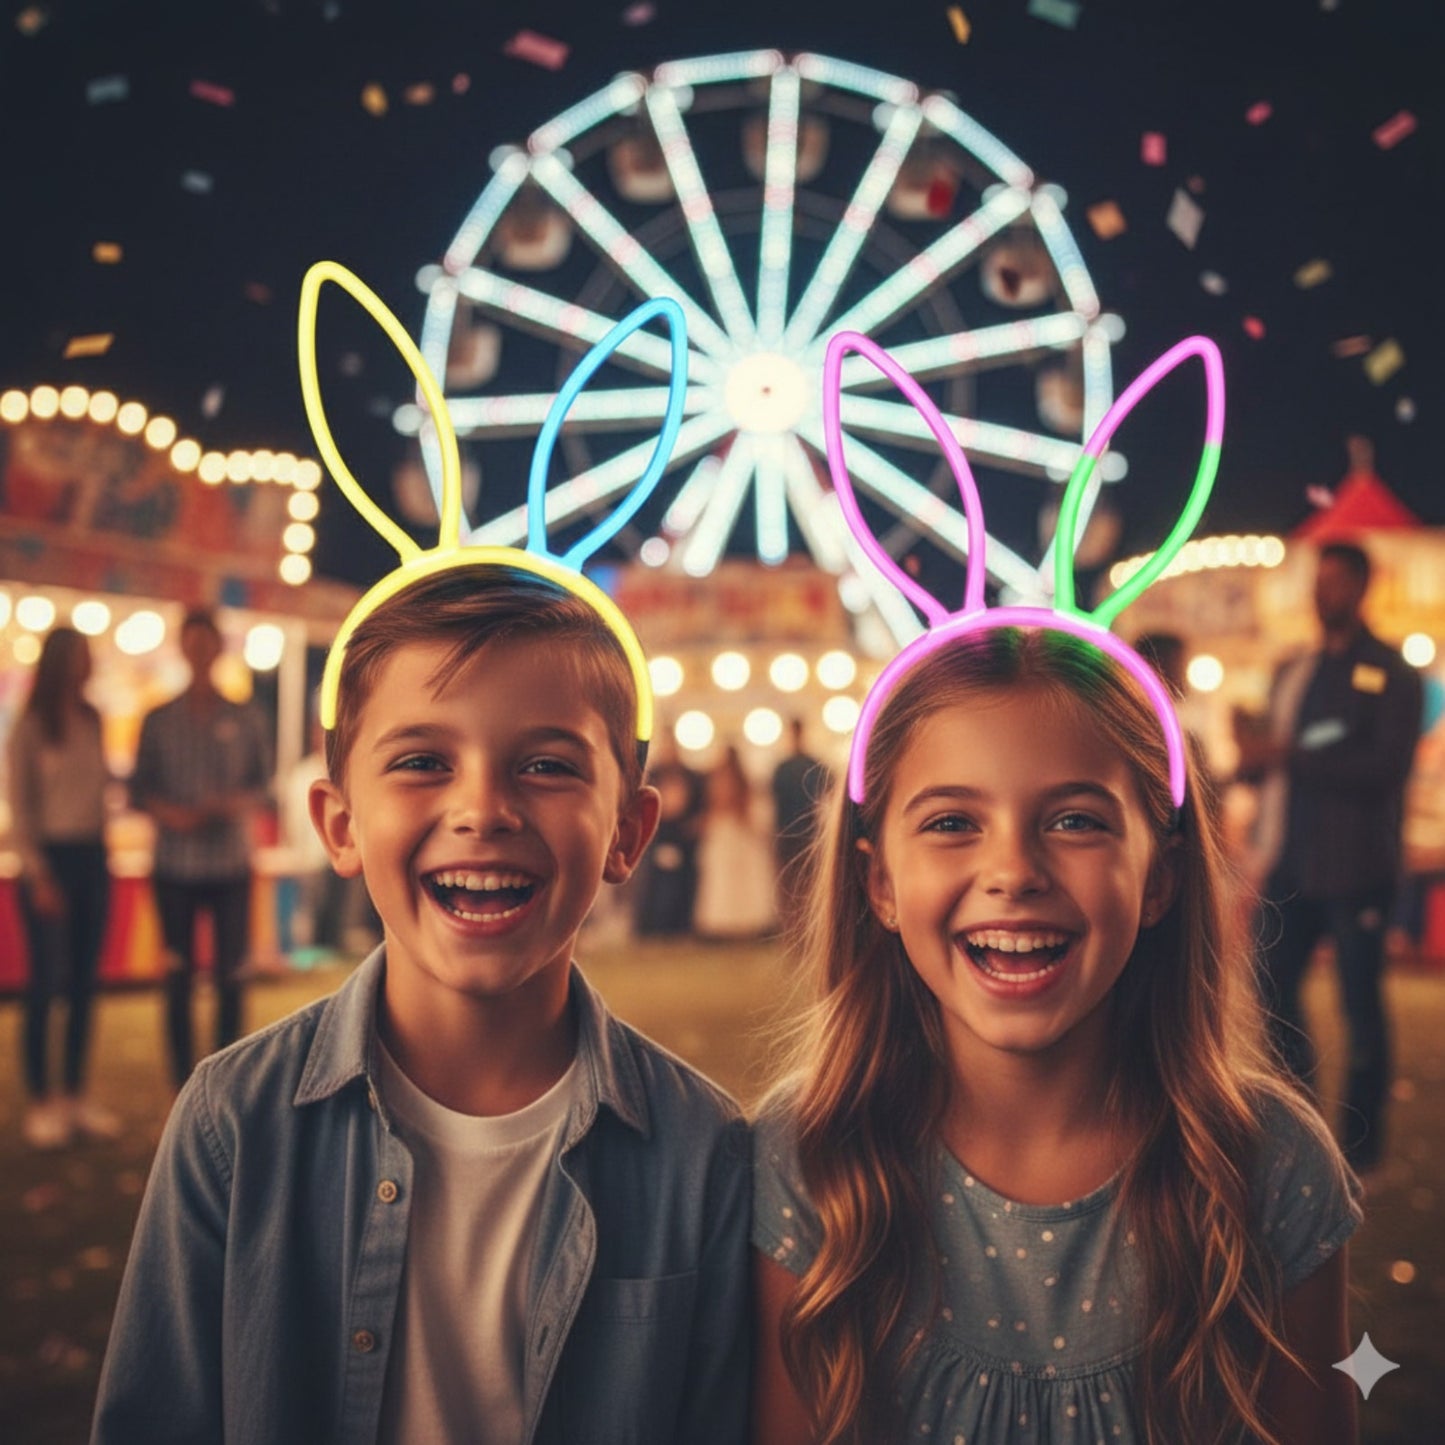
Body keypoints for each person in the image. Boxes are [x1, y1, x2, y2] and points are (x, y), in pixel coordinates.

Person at [92, 567, 750, 1444]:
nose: (482, 809)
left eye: (547, 765)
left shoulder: (702, 1151)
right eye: (422, 762)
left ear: (626, 831)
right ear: (340, 824)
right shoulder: (232, 1125)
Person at [753, 628, 1361, 1445]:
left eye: (1075, 820)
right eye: (952, 821)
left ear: (1159, 877)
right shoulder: (813, 1156)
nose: (1013, 871)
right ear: (879, 882)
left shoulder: (1266, 1166)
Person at [1246, 541, 1423, 1173]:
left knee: (1360, 1006)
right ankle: (1302, 1126)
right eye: (1319, 581)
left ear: (1363, 586)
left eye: (1338, 581)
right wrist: (1254, 763)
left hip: (1357, 869)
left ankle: (1361, 1143)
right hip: (1292, 863)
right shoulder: (1298, 668)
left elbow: (1386, 766)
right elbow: (1278, 759)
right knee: (1271, 993)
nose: (1325, 593)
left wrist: (1291, 756)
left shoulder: (1390, 672)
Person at [130, 608, 271, 1086]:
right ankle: (182, 1084)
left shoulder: (246, 716)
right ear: (182, 649)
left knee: (232, 977)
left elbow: (264, 786)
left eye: (206, 642)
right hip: (174, 866)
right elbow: (138, 789)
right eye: (191, 643)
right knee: (177, 978)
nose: (199, 652)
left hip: (230, 864)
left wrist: (230, 803)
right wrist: (170, 813)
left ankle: (227, 1081)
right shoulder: (159, 719)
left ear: (218, 648)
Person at [7, 626, 119, 1149]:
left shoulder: (93, 718)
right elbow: (20, 808)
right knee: (46, 983)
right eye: (77, 656)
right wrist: (38, 875)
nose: (85, 664)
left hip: (92, 857)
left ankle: (75, 1093)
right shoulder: (31, 726)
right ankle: (42, 1099)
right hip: (48, 861)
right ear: (57, 662)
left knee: (82, 984)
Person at [693, 741, 777, 940]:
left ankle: (744, 925)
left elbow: (757, 820)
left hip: (739, 839)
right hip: (724, 837)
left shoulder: (745, 790)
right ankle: (725, 925)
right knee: (723, 881)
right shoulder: (718, 783)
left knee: (741, 882)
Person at [633, 730, 706, 937]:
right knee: (656, 886)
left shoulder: (690, 775)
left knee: (682, 885)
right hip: (658, 836)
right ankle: (655, 927)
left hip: (683, 839)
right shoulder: (653, 775)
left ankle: (680, 926)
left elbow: (699, 806)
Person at [769, 718, 833, 933]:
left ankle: (795, 927)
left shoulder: (784, 768)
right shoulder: (813, 765)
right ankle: (804, 926)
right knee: (805, 883)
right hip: (805, 832)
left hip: (793, 832)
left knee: (792, 883)